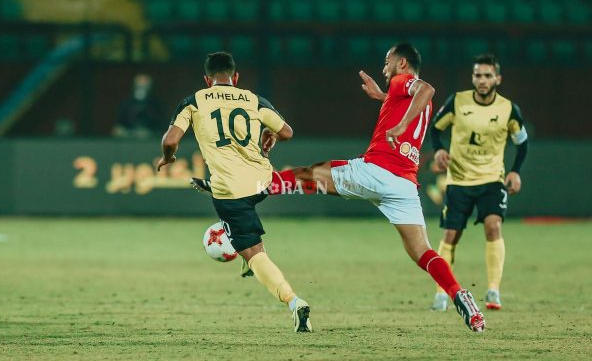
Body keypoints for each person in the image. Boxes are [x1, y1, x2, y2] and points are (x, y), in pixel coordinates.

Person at [192, 44, 486, 332]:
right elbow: (415, 102)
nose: (384, 68)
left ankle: (237, 188)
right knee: (423, 251)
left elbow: (427, 89)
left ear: (403, 64)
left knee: (307, 176)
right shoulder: (402, 94)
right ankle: (461, 296)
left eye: (388, 61)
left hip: (376, 171)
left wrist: (398, 126)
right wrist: (383, 97)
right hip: (404, 183)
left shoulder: (407, 82)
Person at [157, 52, 312, 333]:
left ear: (207, 80)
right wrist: (271, 133)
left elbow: (170, 140)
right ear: (235, 77)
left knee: (254, 252)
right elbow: (287, 131)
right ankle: (221, 200)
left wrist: (168, 157)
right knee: (246, 205)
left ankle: (294, 301)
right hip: (262, 181)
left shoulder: (193, 101)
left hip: (231, 192)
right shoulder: (254, 100)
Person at [428, 54, 528, 312]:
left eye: (487, 75)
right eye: (477, 75)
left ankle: (493, 289)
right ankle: (441, 293)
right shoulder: (457, 102)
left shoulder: (509, 109)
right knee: (451, 235)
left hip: (491, 179)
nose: (482, 80)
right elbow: (435, 129)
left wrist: (515, 172)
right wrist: (438, 150)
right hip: (458, 179)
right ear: (472, 77)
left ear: (497, 79)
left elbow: (522, 142)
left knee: (494, 227)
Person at [113, 73, 164, 138]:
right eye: (139, 85)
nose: (141, 87)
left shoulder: (156, 105)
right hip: (128, 138)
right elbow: (119, 125)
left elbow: (160, 125)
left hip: (150, 140)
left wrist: (149, 132)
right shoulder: (126, 104)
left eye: (144, 85)